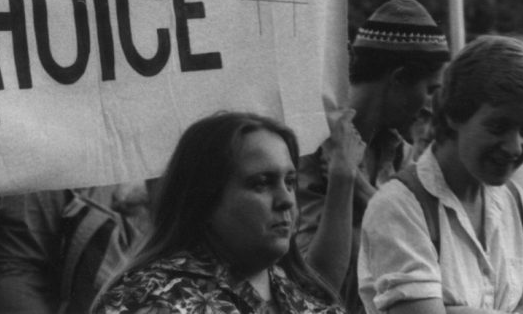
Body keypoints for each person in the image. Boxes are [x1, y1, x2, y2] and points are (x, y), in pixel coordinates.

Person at [358, 35, 523, 314]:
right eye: (498, 126)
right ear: (454, 114)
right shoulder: (399, 206)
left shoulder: (514, 202)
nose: (515, 147)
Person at [94, 111, 344, 314]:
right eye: (261, 183)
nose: (286, 200)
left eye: (289, 182)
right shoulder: (150, 299)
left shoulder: (309, 298)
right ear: (206, 197)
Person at [297, 0, 450, 312]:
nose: (429, 107)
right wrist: (343, 180)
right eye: (430, 89)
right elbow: (314, 288)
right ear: (398, 78)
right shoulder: (309, 147)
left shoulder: (398, 154)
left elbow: (431, 252)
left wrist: (357, 185)